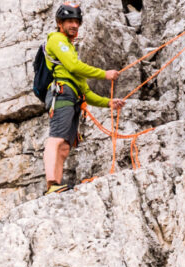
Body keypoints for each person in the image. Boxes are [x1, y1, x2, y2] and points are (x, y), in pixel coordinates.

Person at [43, 3, 126, 195]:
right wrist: (104, 74)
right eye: (69, 21)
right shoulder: (56, 39)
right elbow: (73, 66)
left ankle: (57, 185)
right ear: (59, 23)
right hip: (61, 93)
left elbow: (85, 91)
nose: (73, 25)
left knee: (64, 146)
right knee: (56, 138)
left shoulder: (70, 48)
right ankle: (51, 184)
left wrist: (108, 103)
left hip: (72, 97)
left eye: (76, 22)